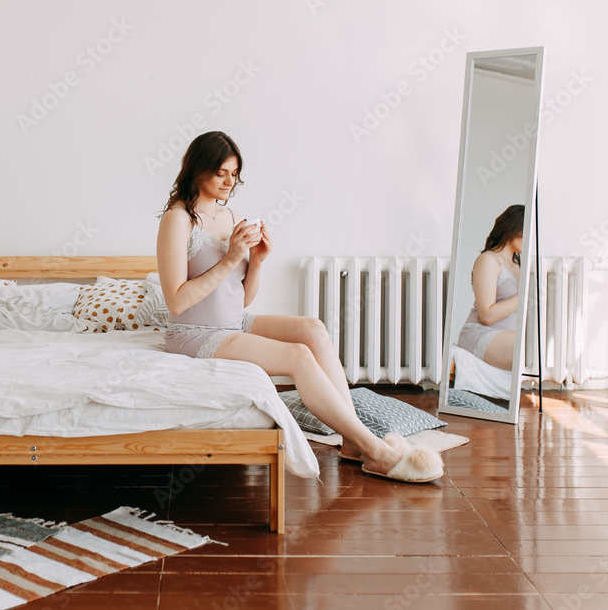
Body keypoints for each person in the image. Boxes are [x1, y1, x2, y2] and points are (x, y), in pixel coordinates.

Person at [156, 131, 443, 483]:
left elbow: (241, 299)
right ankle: (373, 449)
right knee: (298, 356)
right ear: (198, 170)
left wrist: (258, 262)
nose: (231, 181)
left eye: (235, 173)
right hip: (195, 333)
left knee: (313, 329)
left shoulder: (232, 217)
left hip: (233, 321)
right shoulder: (178, 218)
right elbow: (176, 299)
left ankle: (351, 440)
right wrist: (232, 257)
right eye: (221, 173)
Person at [456, 205, 524, 371]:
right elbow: (486, 315)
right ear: (514, 230)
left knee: (536, 344)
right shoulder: (488, 260)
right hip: (482, 333)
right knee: (526, 347)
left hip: (507, 334)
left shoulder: (518, 264)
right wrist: (523, 297)